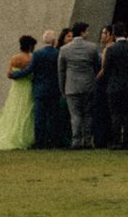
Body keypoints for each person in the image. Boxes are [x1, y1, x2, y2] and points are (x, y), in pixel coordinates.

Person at [0, 35, 37, 149]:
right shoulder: (31, 59)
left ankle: (10, 135)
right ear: (30, 46)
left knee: (14, 111)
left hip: (16, 88)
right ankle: (26, 137)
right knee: (27, 111)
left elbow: (9, 74)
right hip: (27, 87)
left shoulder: (14, 58)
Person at [58, 21, 100, 149]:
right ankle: (87, 141)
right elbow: (97, 66)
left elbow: (61, 71)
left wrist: (62, 88)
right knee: (88, 115)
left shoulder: (64, 49)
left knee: (75, 115)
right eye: (86, 31)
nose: (88, 33)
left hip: (71, 87)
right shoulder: (92, 47)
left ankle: (76, 141)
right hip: (88, 86)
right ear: (82, 32)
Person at [99, 22, 128, 148]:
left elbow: (106, 69)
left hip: (114, 86)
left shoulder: (111, 49)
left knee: (115, 115)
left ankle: (116, 141)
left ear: (114, 34)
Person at [29, 29, 60, 149]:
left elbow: (30, 69)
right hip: (54, 89)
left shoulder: (37, 54)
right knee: (53, 117)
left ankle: (39, 141)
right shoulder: (58, 53)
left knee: (39, 117)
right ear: (54, 41)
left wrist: (15, 74)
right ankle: (52, 141)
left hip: (40, 89)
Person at [91, 26, 114, 148]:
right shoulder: (108, 48)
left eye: (104, 33)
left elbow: (104, 68)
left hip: (103, 84)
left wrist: (95, 80)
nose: (102, 35)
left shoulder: (108, 49)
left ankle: (101, 139)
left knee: (101, 112)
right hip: (109, 83)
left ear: (110, 35)